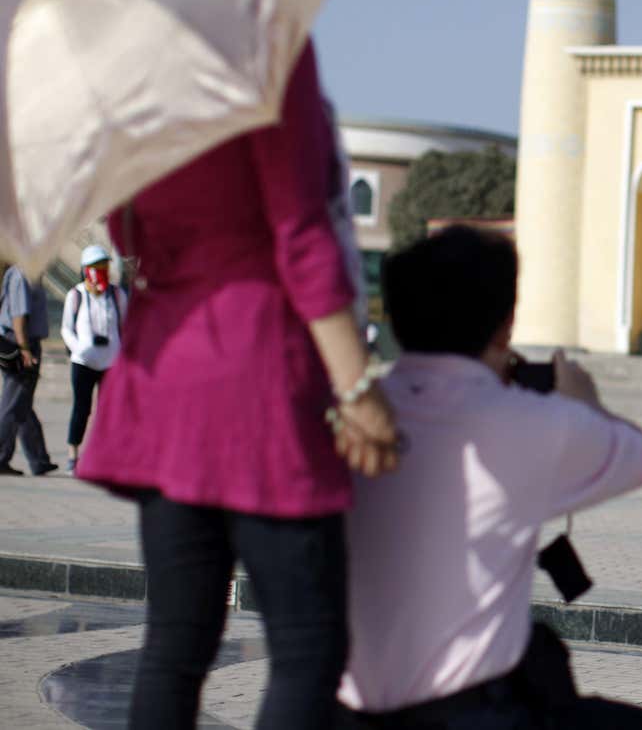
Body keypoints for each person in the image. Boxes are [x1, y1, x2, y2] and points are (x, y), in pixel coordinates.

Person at [75, 42, 400, 730]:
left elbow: (120, 229)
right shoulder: (261, 43)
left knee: (174, 644)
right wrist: (358, 384)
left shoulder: (128, 73)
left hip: (165, 377)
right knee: (308, 645)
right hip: (258, 371)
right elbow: (301, 233)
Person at [338, 227, 642, 728]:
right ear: (505, 325)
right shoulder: (530, 422)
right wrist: (582, 402)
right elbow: (641, 459)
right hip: (471, 710)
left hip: (346, 705)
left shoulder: (352, 420)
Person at [60, 245, 129, 475]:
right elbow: (66, 329)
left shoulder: (117, 295)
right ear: (85, 270)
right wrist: (79, 348)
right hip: (84, 361)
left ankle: (106, 455)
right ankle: (73, 454)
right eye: (95, 267)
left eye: (104, 266)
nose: (100, 271)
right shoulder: (76, 295)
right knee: (82, 409)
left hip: (111, 361)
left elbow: (127, 326)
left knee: (109, 410)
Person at [0, 263, 57, 477]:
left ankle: (38, 459)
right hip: (21, 343)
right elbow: (19, 316)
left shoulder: (28, 273)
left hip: (24, 341)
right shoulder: (22, 274)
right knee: (13, 405)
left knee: (22, 403)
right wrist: (24, 349)